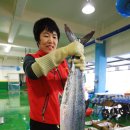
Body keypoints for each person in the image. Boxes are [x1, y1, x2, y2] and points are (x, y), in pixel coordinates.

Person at [23, 17, 85, 130]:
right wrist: (65, 51)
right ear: (38, 40)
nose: (51, 40)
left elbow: (70, 89)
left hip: (64, 119)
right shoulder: (30, 58)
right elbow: (32, 72)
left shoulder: (63, 63)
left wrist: (80, 70)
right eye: (46, 36)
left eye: (54, 37)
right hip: (41, 124)